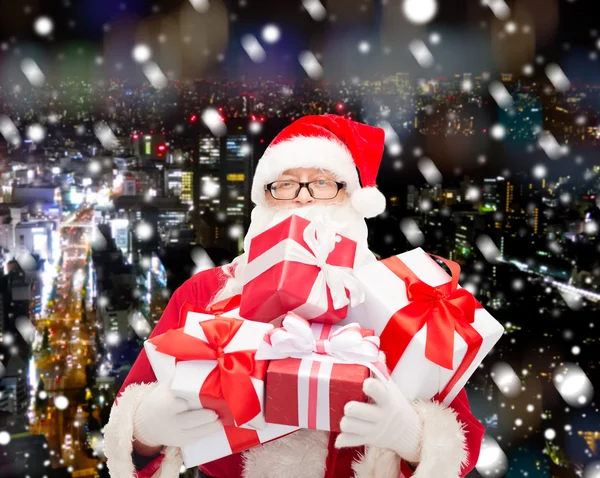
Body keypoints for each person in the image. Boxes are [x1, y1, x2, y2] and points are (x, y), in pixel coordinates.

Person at [103, 114, 485, 478]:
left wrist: (412, 437)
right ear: (265, 199)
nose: (303, 198)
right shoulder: (206, 292)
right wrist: (145, 430)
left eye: (322, 182)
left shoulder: (401, 303)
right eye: (286, 184)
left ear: (351, 197)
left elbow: (462, 443)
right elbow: (128, 419)